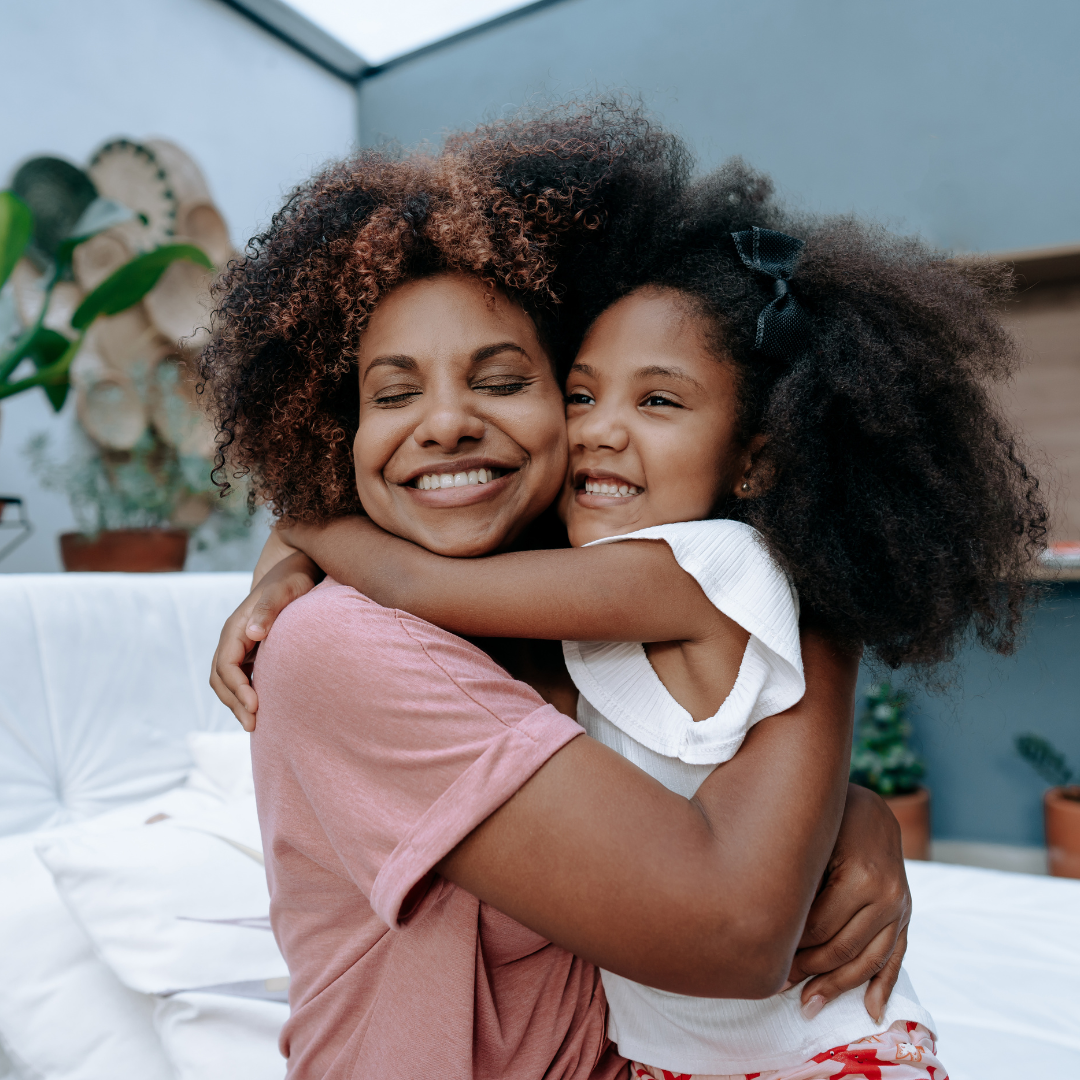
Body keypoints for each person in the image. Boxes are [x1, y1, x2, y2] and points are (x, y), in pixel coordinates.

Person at [224, 159, 1044, 1080]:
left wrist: (847, 816)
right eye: (393, 393)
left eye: (504, 380)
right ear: (330, 431)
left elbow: (687, 779)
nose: (448, 423)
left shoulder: (609, 602)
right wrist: (301, 523)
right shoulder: (339, 643)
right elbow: (733, 925)